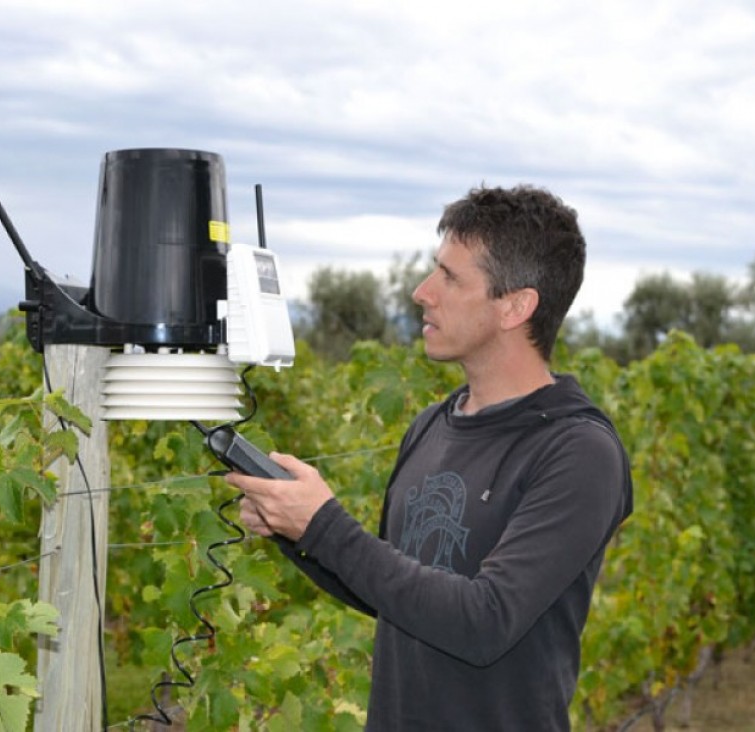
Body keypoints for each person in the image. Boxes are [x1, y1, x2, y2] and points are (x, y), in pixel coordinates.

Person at [226, 184, 633, 731]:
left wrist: (324, 526)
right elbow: (393, 592)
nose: (422, 292)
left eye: (450, 277)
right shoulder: (433, 425)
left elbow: (485, 622)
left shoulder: (577, 451)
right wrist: (294, 530)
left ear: (516, 305)